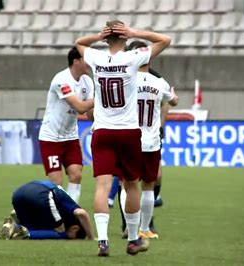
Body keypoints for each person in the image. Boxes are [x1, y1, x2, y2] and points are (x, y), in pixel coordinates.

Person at [75, 21, 171, 256]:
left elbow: (78, 43)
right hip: (128, 131)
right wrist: (136, 32)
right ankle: (133, 239)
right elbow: (165, 40)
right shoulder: (133, 58)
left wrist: (98, 36)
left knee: (102, 185)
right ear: (125, 38)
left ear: (107, 39)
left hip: (103, 130)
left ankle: (103, 241)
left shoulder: (96, 58)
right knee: (131, 184)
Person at [119, 41, 179, 241]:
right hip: (151, 140)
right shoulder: (158, 82)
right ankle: (145, 228)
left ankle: (129, 227)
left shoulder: (125, 79)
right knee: (148, 185)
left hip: (128, 138)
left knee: (126, 184)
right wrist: (173, 95)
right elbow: (173, 101)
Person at [38, 47, 95, 203]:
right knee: (56, 182)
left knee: (76, 174)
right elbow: (80, 107)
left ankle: (70, 214)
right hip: (51, 138)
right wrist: (102, 99)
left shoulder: (88, 81)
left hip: (70, 137)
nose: (90, 63)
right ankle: (52, 214)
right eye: (86, 59)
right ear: (76, 61)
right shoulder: (61, 80)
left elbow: (89, 114)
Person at [0, 180, 94, 240]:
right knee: (60, 232)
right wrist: (91, 238)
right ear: (75, 228)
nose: (70, 238)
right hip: (43, 194)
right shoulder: (71, 205)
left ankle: (12, 227)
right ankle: (22, 233)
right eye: (73, 237)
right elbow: (82, 213)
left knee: (31, 227)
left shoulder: (62, 211)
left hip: (18, 193)